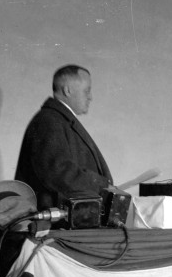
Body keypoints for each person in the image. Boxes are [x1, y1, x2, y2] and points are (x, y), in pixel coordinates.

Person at [15, 65, 112, 211]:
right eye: (87, 91)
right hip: (53, 224)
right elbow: (57, 172)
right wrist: (101, 184)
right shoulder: (48, 120)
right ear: (67, 90)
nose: (90, 97)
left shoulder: (57, 120)